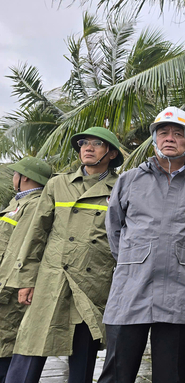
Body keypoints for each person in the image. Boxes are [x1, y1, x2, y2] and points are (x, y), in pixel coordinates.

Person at [97, 107, 185, 383]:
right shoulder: (130, 180)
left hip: (180, 293)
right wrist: (134, 260)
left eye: (178, 134)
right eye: (163, 132)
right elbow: (114, 228)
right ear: (154, 139)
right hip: (130, 291)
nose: (169, 138)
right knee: (117, 374)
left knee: (172, 376)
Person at [5, 127, 123, 383]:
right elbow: (36, 234)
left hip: (92, 285)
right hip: (52, 279)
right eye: (83, 143)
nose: (87, 148)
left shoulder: (121, 189)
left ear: (111, 153)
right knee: (30, 350)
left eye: (96, 144)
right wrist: (26, 279)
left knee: (82, 362)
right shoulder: (58, 185)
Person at [0, 157, 51, 383]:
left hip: (9, 289)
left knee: (6, 344)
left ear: (25, 177)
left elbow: (18, 250)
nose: (13, 178)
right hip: (7, 285)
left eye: (16, 174)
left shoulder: (34, 205)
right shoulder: (18, 203)